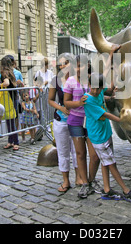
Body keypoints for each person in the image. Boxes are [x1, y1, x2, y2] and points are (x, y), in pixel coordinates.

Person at [85, 72, 131, 207]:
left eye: (98, 89)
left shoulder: (99, 92)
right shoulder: (87, 100)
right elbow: (105, 114)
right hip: (98, 137)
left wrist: (111, 93)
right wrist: (124, 121)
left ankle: (107, 189)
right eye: (93, 88)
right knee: (112, 164)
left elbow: (106, 87)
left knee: (106, 162)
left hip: (105, 132)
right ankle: (127, 191)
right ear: (88, 85)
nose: (95, 91)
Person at [64, 54, 102, 199]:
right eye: (77, 66)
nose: (79, 69)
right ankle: (85, 183)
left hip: (92, 121)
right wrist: (79, 103)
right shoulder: (70, 81)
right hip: (76, 121)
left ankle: (91, 181)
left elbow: (101, 93)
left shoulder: (94, 79)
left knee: (95, 155)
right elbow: (66, 102)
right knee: (80, 154)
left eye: (82, 65)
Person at [48, 53, 81, 193]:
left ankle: (79, 177)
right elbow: (50, 100)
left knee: (77, 151)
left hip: (76, 120)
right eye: (61, 63)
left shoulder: (78, 79)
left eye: (66, 62)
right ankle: (66, 180)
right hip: (61, 120)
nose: (64, 66)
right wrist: (61, 107)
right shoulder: (55, 80)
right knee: (63, 151)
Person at [0, 55, 20, 151]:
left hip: (9, 99)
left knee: (10, 121)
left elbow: (6, 83)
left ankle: (15, 142)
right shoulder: (11, 72)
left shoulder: (4, 73)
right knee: (10, 120)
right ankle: (11, 141)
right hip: (12, 97)